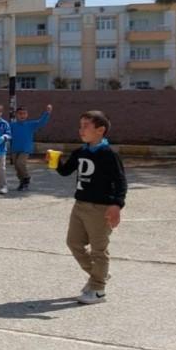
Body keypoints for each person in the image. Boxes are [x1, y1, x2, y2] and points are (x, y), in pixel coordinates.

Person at [54, 110, 127, 305]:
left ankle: (98, 289)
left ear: (100, 130)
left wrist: (116, 205)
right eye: (80, 126)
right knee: (74, 243)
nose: (81, 130)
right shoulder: (81, 152)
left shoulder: (109, 154)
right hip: (80, 205)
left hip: (100, 208)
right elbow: (65, 171)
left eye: (86, 126)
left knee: (98, 250)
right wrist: (55, 162)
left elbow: (121, 182)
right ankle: (100, 275)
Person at [9, 104, 52, 190]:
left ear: (27, 115)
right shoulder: (12, 125)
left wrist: (47, 113)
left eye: (24, 113)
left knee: (20, 163)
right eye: (20, 113)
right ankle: (22, 182)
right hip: (14, 149)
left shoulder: (30, 125)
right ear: (16, 115)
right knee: (17, 166)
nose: (22, 115)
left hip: (25, 149)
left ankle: (26, 177)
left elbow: (41, 122)